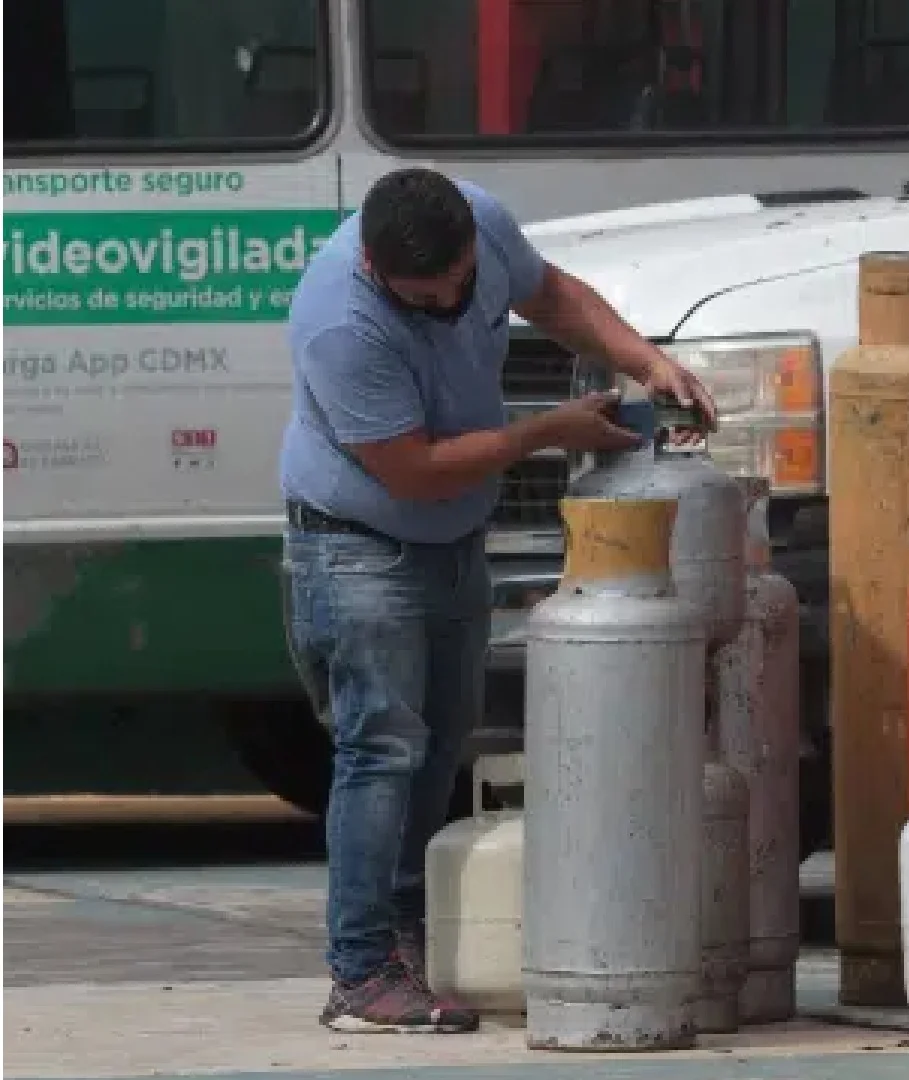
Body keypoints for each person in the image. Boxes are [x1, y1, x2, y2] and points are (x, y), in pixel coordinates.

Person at [278, 167, 716, 1033]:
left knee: (441, 744)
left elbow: (549, 293)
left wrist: (646, 360)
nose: (452, 303)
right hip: (358, 549)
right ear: (375, 267)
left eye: (463, 284)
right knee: (382, 750)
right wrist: (543, 434)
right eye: (427, 299)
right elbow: (411, 469)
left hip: (450, 544)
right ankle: (360, 973)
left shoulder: (479, 220)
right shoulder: (339, 319)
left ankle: (407, 942)